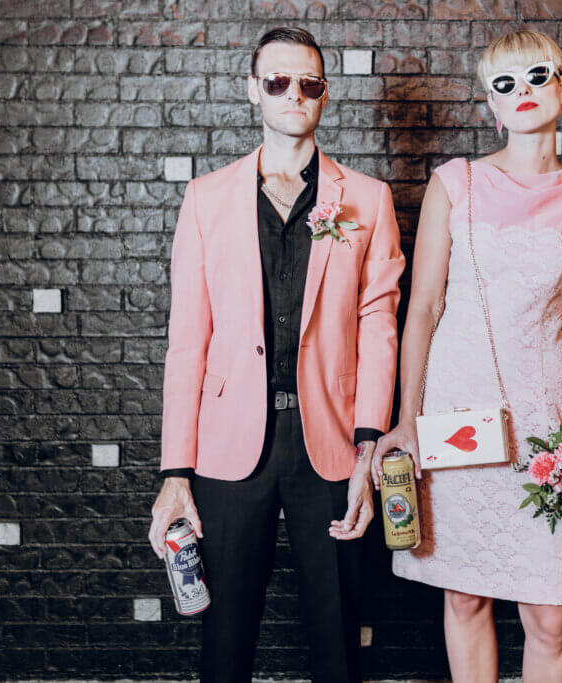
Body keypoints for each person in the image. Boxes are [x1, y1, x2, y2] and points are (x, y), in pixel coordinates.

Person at [373, 29, 562, 682]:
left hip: (546, 428)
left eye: (538, 75)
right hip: (457, 415)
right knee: (464, 593)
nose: (524, 92)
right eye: (505, 83)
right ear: (491, 105)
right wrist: (406, 419)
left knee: (548, 614)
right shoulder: (453, 183)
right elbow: (424, 307)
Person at [147, 27, 405, 683]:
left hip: (331, 442)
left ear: (324, 95)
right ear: (252, 91)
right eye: (278, 81)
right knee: (225, 640)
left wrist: (369, 443)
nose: (295, 94)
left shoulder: (368, 200)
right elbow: (187, 342)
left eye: (309, 83)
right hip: (228, 446)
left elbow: (380, 323)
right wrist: (176, 471)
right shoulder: (206, 199)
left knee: (339, 637)